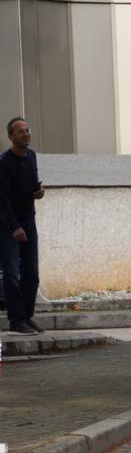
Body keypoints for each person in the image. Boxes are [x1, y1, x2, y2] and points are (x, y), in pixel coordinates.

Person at [0, 116, 44, 335]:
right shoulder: (5, 162)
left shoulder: (32, 156)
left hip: (29, 220)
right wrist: (14, 227)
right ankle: (16, 320)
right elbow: (2, 199)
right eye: (20, 131)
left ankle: (27, 316)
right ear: (10, 136)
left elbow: (31, 186)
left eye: (28, 130)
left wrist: (38, 192)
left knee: (32, 273)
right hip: (10, 225)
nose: (26, 134)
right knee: (11, 273)